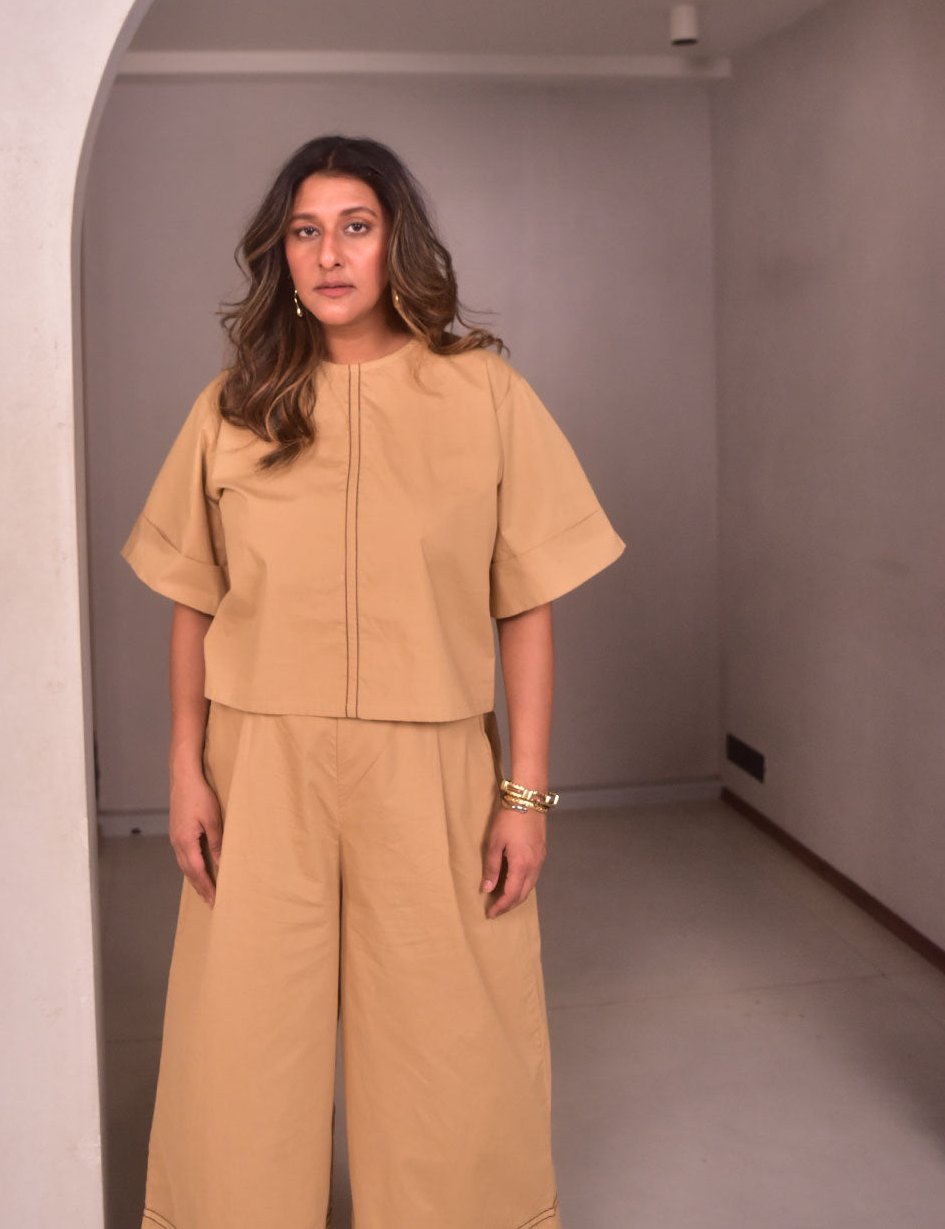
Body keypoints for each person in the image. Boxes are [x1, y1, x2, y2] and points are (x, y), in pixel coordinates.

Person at [120, 134, 626, 1229]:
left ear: (397, 240)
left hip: (431, 763)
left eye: (355, 226)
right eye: (306, 231)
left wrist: (525, 794)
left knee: (451, 1044)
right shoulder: (234, 405)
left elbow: (526, 603)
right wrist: (185, 769)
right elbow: (193, 601)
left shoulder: (484, 394)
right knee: (242, 1045)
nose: (329, 254)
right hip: (260, 763)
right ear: (282, 253)